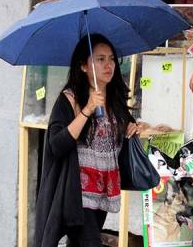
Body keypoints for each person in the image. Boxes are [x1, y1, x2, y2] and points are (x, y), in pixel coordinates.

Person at [35, 34, 140, 247]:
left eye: (111, 58)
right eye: (100, 59)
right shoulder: (70, 98)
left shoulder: (113, 98)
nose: (108, 64)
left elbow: (121, 130)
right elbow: (56, 144)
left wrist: (134, 127)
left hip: (103, 190)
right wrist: (87, 110)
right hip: (77, 193)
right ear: (84, 66)